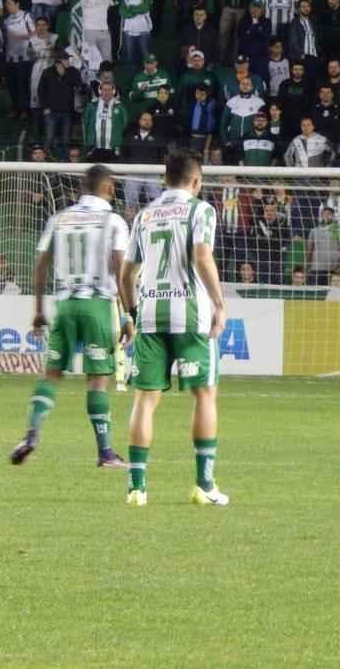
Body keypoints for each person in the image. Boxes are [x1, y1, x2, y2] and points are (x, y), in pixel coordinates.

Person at [119, 150, 229, 507]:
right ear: (196, 181)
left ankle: (137, 488)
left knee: (145, 401)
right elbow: (201, 255)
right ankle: (204, 485)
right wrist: (219, 303)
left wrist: (132, 313)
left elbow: (125, 274)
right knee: (204, 395)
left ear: (165, 180)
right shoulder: (202, 210)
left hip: (150, 315)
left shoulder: (145, 215)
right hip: (191, 317)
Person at [10, 165, 132, 468]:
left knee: (51, 374)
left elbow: (40, 266)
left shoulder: (59, 218)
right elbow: (121, 270)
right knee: (98, 379)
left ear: (81, 188)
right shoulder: (113, 221)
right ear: (109, 187)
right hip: (97, 305)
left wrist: (39, 311)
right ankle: (105, 453)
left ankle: (31, 434)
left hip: (63, 304)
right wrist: (129, 314)